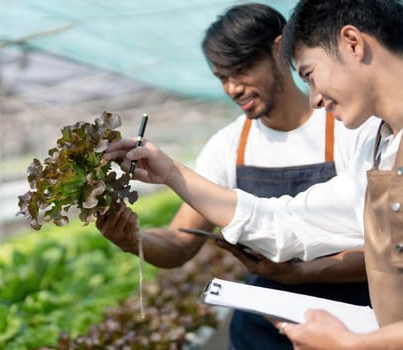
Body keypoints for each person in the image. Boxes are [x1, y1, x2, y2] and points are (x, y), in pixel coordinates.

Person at [104, 0, 403, 348]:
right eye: (222, 78)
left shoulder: (356, 130)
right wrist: (169, 175)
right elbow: (288, 220)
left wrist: (350, 341)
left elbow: (357, 244)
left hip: (347, 323)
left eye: (309, 74)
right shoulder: (382, 145)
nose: (316, 100)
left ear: (353, 43)